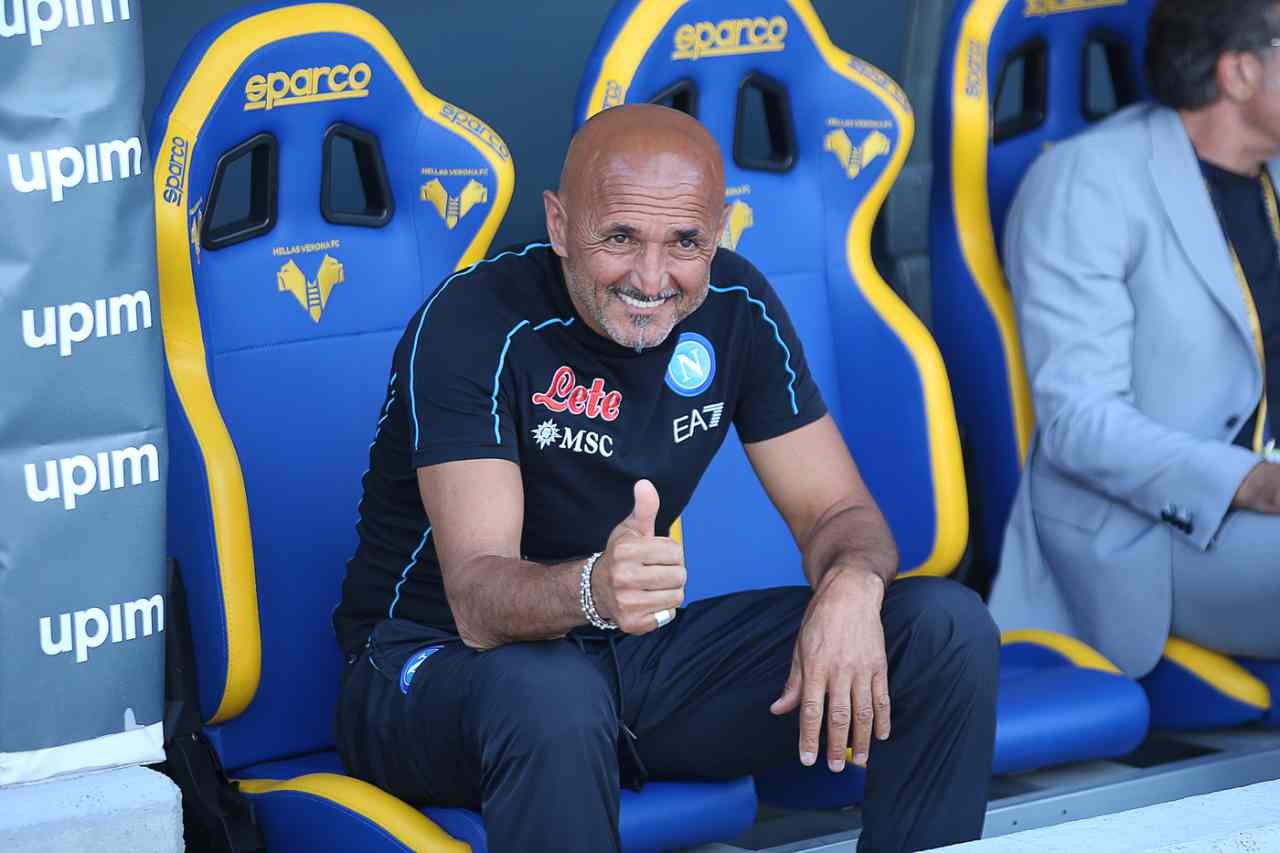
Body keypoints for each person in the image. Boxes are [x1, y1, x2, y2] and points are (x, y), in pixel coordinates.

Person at [333, 103, 998, 853]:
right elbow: (477, 601)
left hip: (623, 657)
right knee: (553, 695)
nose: (651, 278)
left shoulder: (737, 306)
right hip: (429, 666)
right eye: (620, 238)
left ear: (718, 234)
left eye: (685, 242)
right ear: (560, 225)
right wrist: (594, 587)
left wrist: (852, 586)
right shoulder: (475, 321)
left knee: (941, 629)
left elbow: (837, 511)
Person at [991, 0, 1280, 678]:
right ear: (1239, 72)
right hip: (1154, 529)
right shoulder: (1088, 181)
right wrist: (1254, 481)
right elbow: (1079, 423)